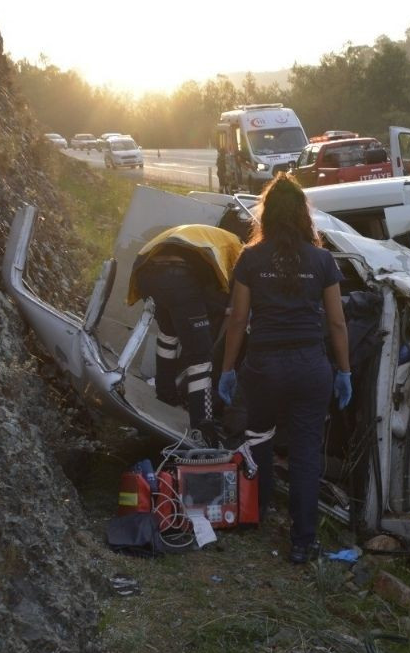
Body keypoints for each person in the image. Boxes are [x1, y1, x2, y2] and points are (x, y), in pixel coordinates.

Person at [218, 173, 351, 564]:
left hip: (264, 366)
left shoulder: (251, 258)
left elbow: (238, 320)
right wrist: (344, 371)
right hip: (311, 366)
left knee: (259, 437)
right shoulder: (322, 260)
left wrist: (228, 368)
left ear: (267, 215)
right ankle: (303, 541)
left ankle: (255, 514)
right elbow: (338, 322)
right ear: (303, 216)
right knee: (306, 452)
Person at [127, 219, 246, 440]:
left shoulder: (211, 237)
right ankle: (203, 424)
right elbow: (219, 292)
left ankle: (165, 394)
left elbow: (199, 293)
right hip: (178, 275)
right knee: (201, 357)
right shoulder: (237, 249)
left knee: (168, 336)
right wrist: (227, 310)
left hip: (146, 270)